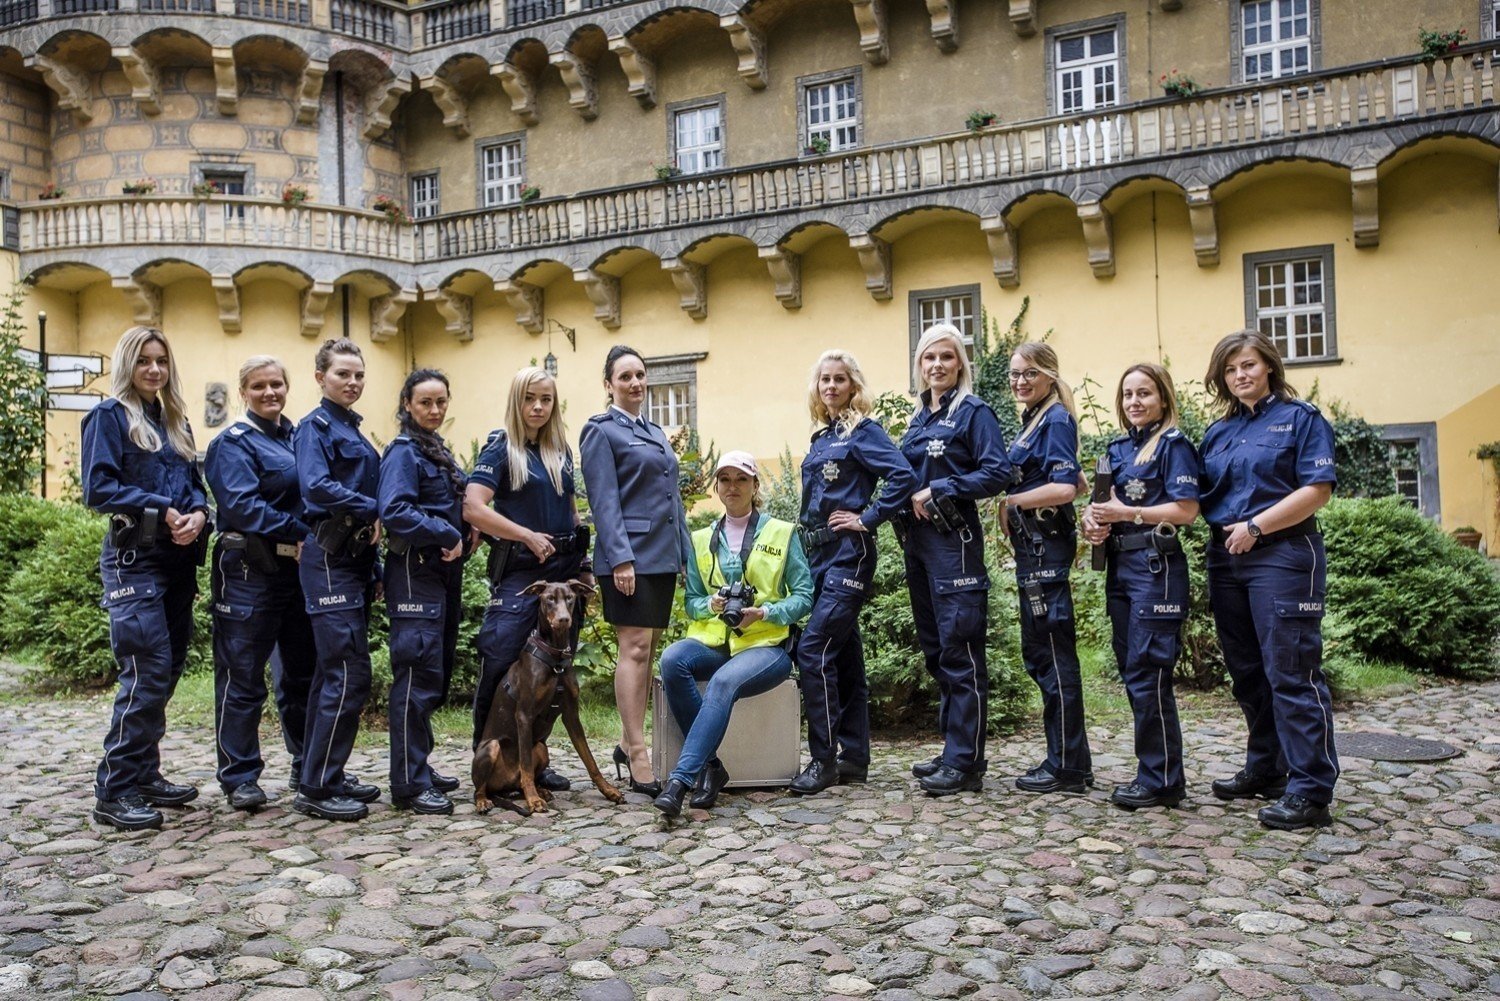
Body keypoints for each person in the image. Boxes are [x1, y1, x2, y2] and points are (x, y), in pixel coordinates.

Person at [1199, 330, 1339, 831]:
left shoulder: (1301, 420)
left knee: (1291, 671)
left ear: (1270, 368)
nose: (1240, 375)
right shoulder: (1217, 433)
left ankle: (1311, 791)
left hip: (1281, 554)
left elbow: (1318, 489)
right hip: (1226, 559)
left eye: (1249, 365)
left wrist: (1259, 526)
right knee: (1248, 672)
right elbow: (1189, 496)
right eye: (1231, 369)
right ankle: (1267, 767)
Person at [82, 325, 211, 831]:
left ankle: (143, 773)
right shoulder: (109, 416)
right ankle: (113, 790)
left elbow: (194, 487)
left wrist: (199, 515)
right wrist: (161, 507)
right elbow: (97, 488)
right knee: (146, 671)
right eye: (143, 361)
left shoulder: (175, 421)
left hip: (178, 560)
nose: (154, 369)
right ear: (127, 366)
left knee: (169, 668)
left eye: (160, 360)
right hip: (134, 559)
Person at [653, 452, 815, 816]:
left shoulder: (781, 532)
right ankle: (712, 768)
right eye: (724, 480)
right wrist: (709, 605)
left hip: (765, 645)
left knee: (723, 682)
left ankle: (680, 781)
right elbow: (691, 601)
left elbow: (804, 596)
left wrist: (766, 612)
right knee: (672, 659)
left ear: (755, 485)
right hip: (716, 642)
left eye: (741, 479)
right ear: (717, 488)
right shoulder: (699, 539)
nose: (732, 487)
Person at [789, 350, 917, 795]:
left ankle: (824, 760)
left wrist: (868, 516)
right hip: (819, 554)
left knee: (814, 649)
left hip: (850, 553)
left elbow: (903, 476)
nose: (830, 387)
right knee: (843, 655)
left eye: (839, 380)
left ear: (853, 386)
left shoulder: (864, 432)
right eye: (824, 379)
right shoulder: (821, 438)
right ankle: (855, 758)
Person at [1081, 364, 1200, 810]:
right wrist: (1094, 523)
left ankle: (1162, 779)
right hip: (1121, 567)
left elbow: (1186, 510)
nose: (1135, 402)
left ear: (1163, 399)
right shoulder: (1115, 449)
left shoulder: (1173, 446)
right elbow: (1105, 508)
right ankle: (1156, 771)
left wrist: (1124, 515)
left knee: (1149, 672)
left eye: (1144, 393)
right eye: (1128, 394)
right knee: (1134, 672)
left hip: (1156, 567)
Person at [900, 324, 1013, 796]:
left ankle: (967, 763)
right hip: (919, 549)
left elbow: (998, 470)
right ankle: (952, 749)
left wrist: (943, 487)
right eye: (929, 358)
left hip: (955, 545)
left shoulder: (973, 413)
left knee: (961, 650)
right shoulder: (918, 419)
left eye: (947, 357)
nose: (938, 365)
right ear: (919, 366)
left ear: (961, 363)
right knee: (937, 650)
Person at [466, 367, 589, 795]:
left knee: (554, 676)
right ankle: (485, 753)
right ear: (516, 401)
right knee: (499, 658)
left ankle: (533, 759)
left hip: (562, 577)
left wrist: (584, 567)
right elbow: (474, 507)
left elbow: (571, 514)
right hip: (521, 572)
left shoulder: (560, 451)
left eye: (546, 399)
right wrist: (524, 535)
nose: (538, 407)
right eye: (529, 398)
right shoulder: (501, 448)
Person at [579, 345, 692, 797]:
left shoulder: (655, 431)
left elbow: (673, 500)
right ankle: (639, 753)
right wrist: (621, 557)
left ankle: (627, 743)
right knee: (637, 649)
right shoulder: (600, 431)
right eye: (625, 376)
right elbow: (603, 501)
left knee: (649, 647)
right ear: (609, 384)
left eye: (640, 375)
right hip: (628, 556)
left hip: (661, 555)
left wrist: (684, 555)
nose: (635, 383)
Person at [204, 356, 314, 812]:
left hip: (297, 571)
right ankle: (240, 775)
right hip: (249, 571)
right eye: (258, 386)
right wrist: (305, 532)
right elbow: (244, 507)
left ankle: (306, 763)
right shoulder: (233, 443)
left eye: (276, 384)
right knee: (243, 676)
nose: (269, 392)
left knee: (301, 675)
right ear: (243, 391)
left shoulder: (298, 438)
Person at [293, 337, 383, 822]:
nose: (352, 382)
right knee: (346, 671)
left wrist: (378, 565)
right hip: (328, 558)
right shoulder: (316, 427)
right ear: (320, 377)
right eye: (343, 374)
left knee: (338, 671)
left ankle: (326, 771)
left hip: (354, 560)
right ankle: (317, 788)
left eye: (358, 375)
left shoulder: (352, 428)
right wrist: (378, 508)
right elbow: (315, 486)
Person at [378, 370, 469, 816]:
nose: (434, 410)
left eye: (440, 402)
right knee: (415, 672)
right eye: (425, 403)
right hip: (414, 570)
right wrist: (446, 531)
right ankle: (409, 783)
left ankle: (420, 765)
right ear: (408, 405)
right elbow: (394, 510)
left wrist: (466, 534)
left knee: (433, 672)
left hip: (441, 573)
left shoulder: (438, 452)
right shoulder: (403, 452)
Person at [1004, 341, 1092, 795]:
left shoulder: (1055, 418)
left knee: (1054, 658)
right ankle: (1064, 757)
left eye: (1029, 373)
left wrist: (1012, 500)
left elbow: (1064, 488)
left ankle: (1069, 767)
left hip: (1046, 551)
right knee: (1042, 656)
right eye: (1015, 374)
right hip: (1032, 551)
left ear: (1049, 376)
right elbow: (1077, 477)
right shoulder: (1034, 419)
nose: (1020, 381)